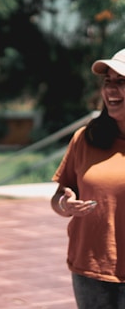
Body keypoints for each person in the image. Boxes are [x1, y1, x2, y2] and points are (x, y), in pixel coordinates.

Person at [51, 48, 125, 308]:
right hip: (91, 270)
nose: (111, 91)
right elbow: (60, 196)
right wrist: (64, 205)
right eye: (108, 82)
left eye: (121, 82)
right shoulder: (85, 138)